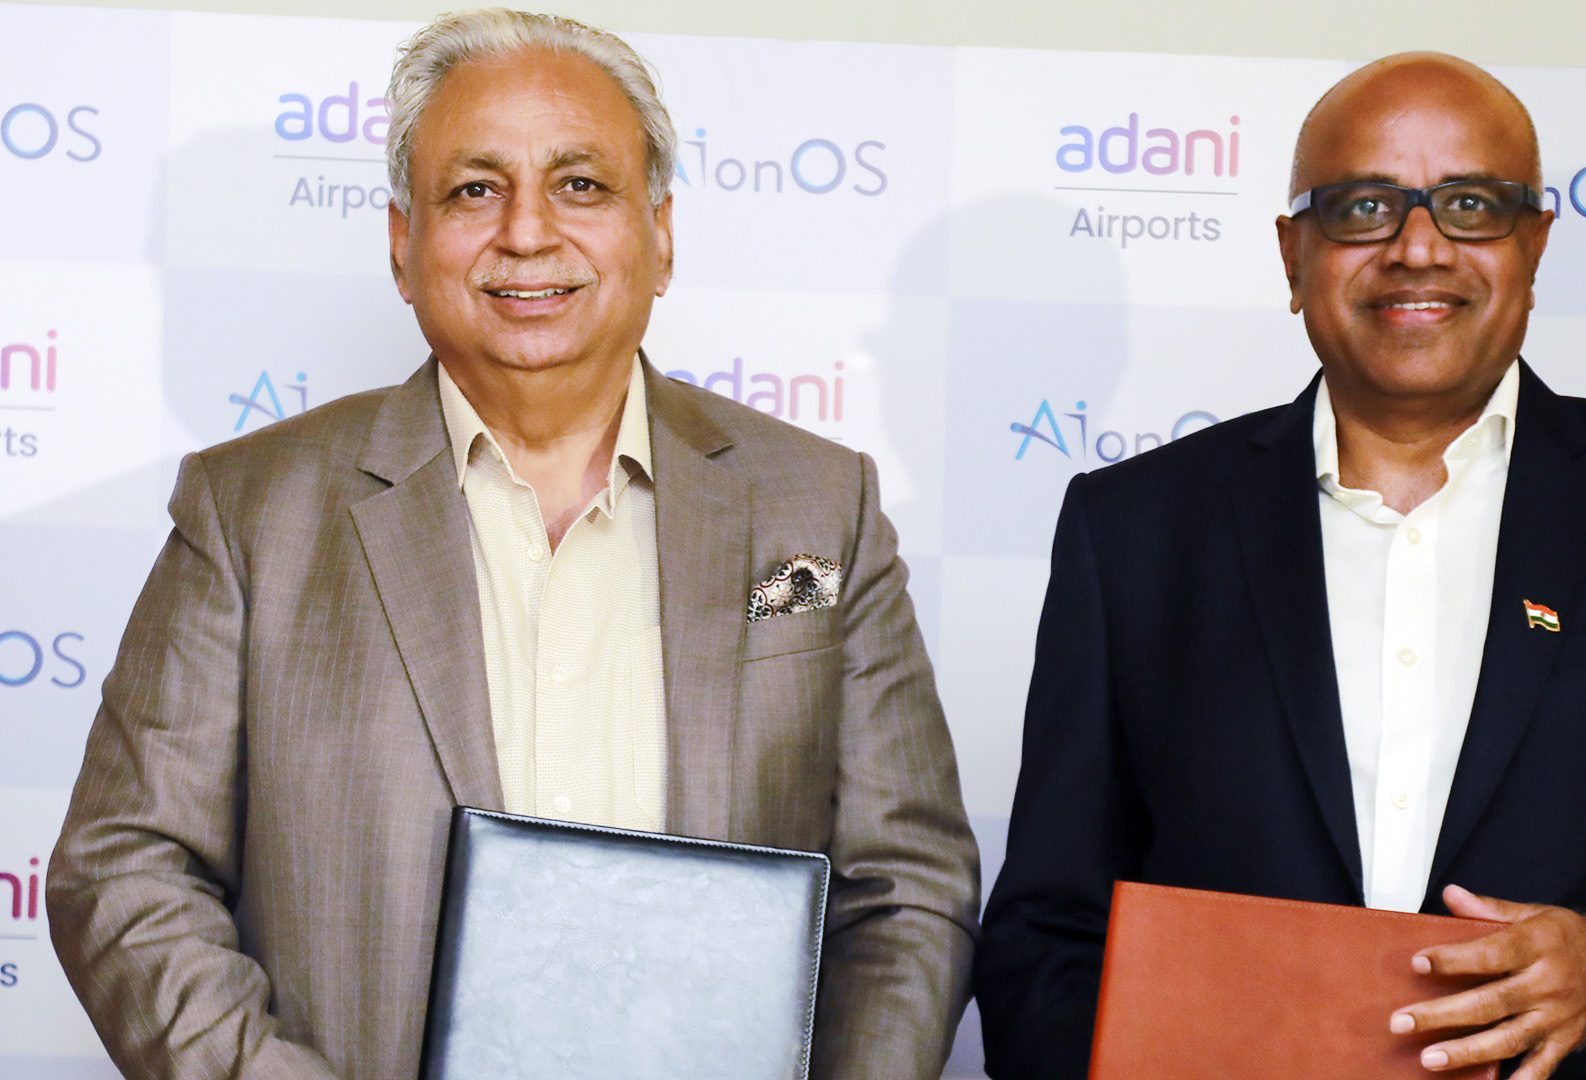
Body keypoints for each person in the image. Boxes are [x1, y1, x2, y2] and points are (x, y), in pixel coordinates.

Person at [48, 10, 978, 1079]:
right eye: (474, 190)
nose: (528, 232)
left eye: (580, 184)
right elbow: (124, 868)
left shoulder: (818, 508)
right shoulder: (252, 511)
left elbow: (906, 889)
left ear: (660, 234)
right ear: (402, 246)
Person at [975, 51, 1586, 1080]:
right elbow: (1045, 940)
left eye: (1471, 205)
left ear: (1535, 244)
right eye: (1362, 207)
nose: (1417, 248)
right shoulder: (1135, 530)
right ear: (1293, 255)